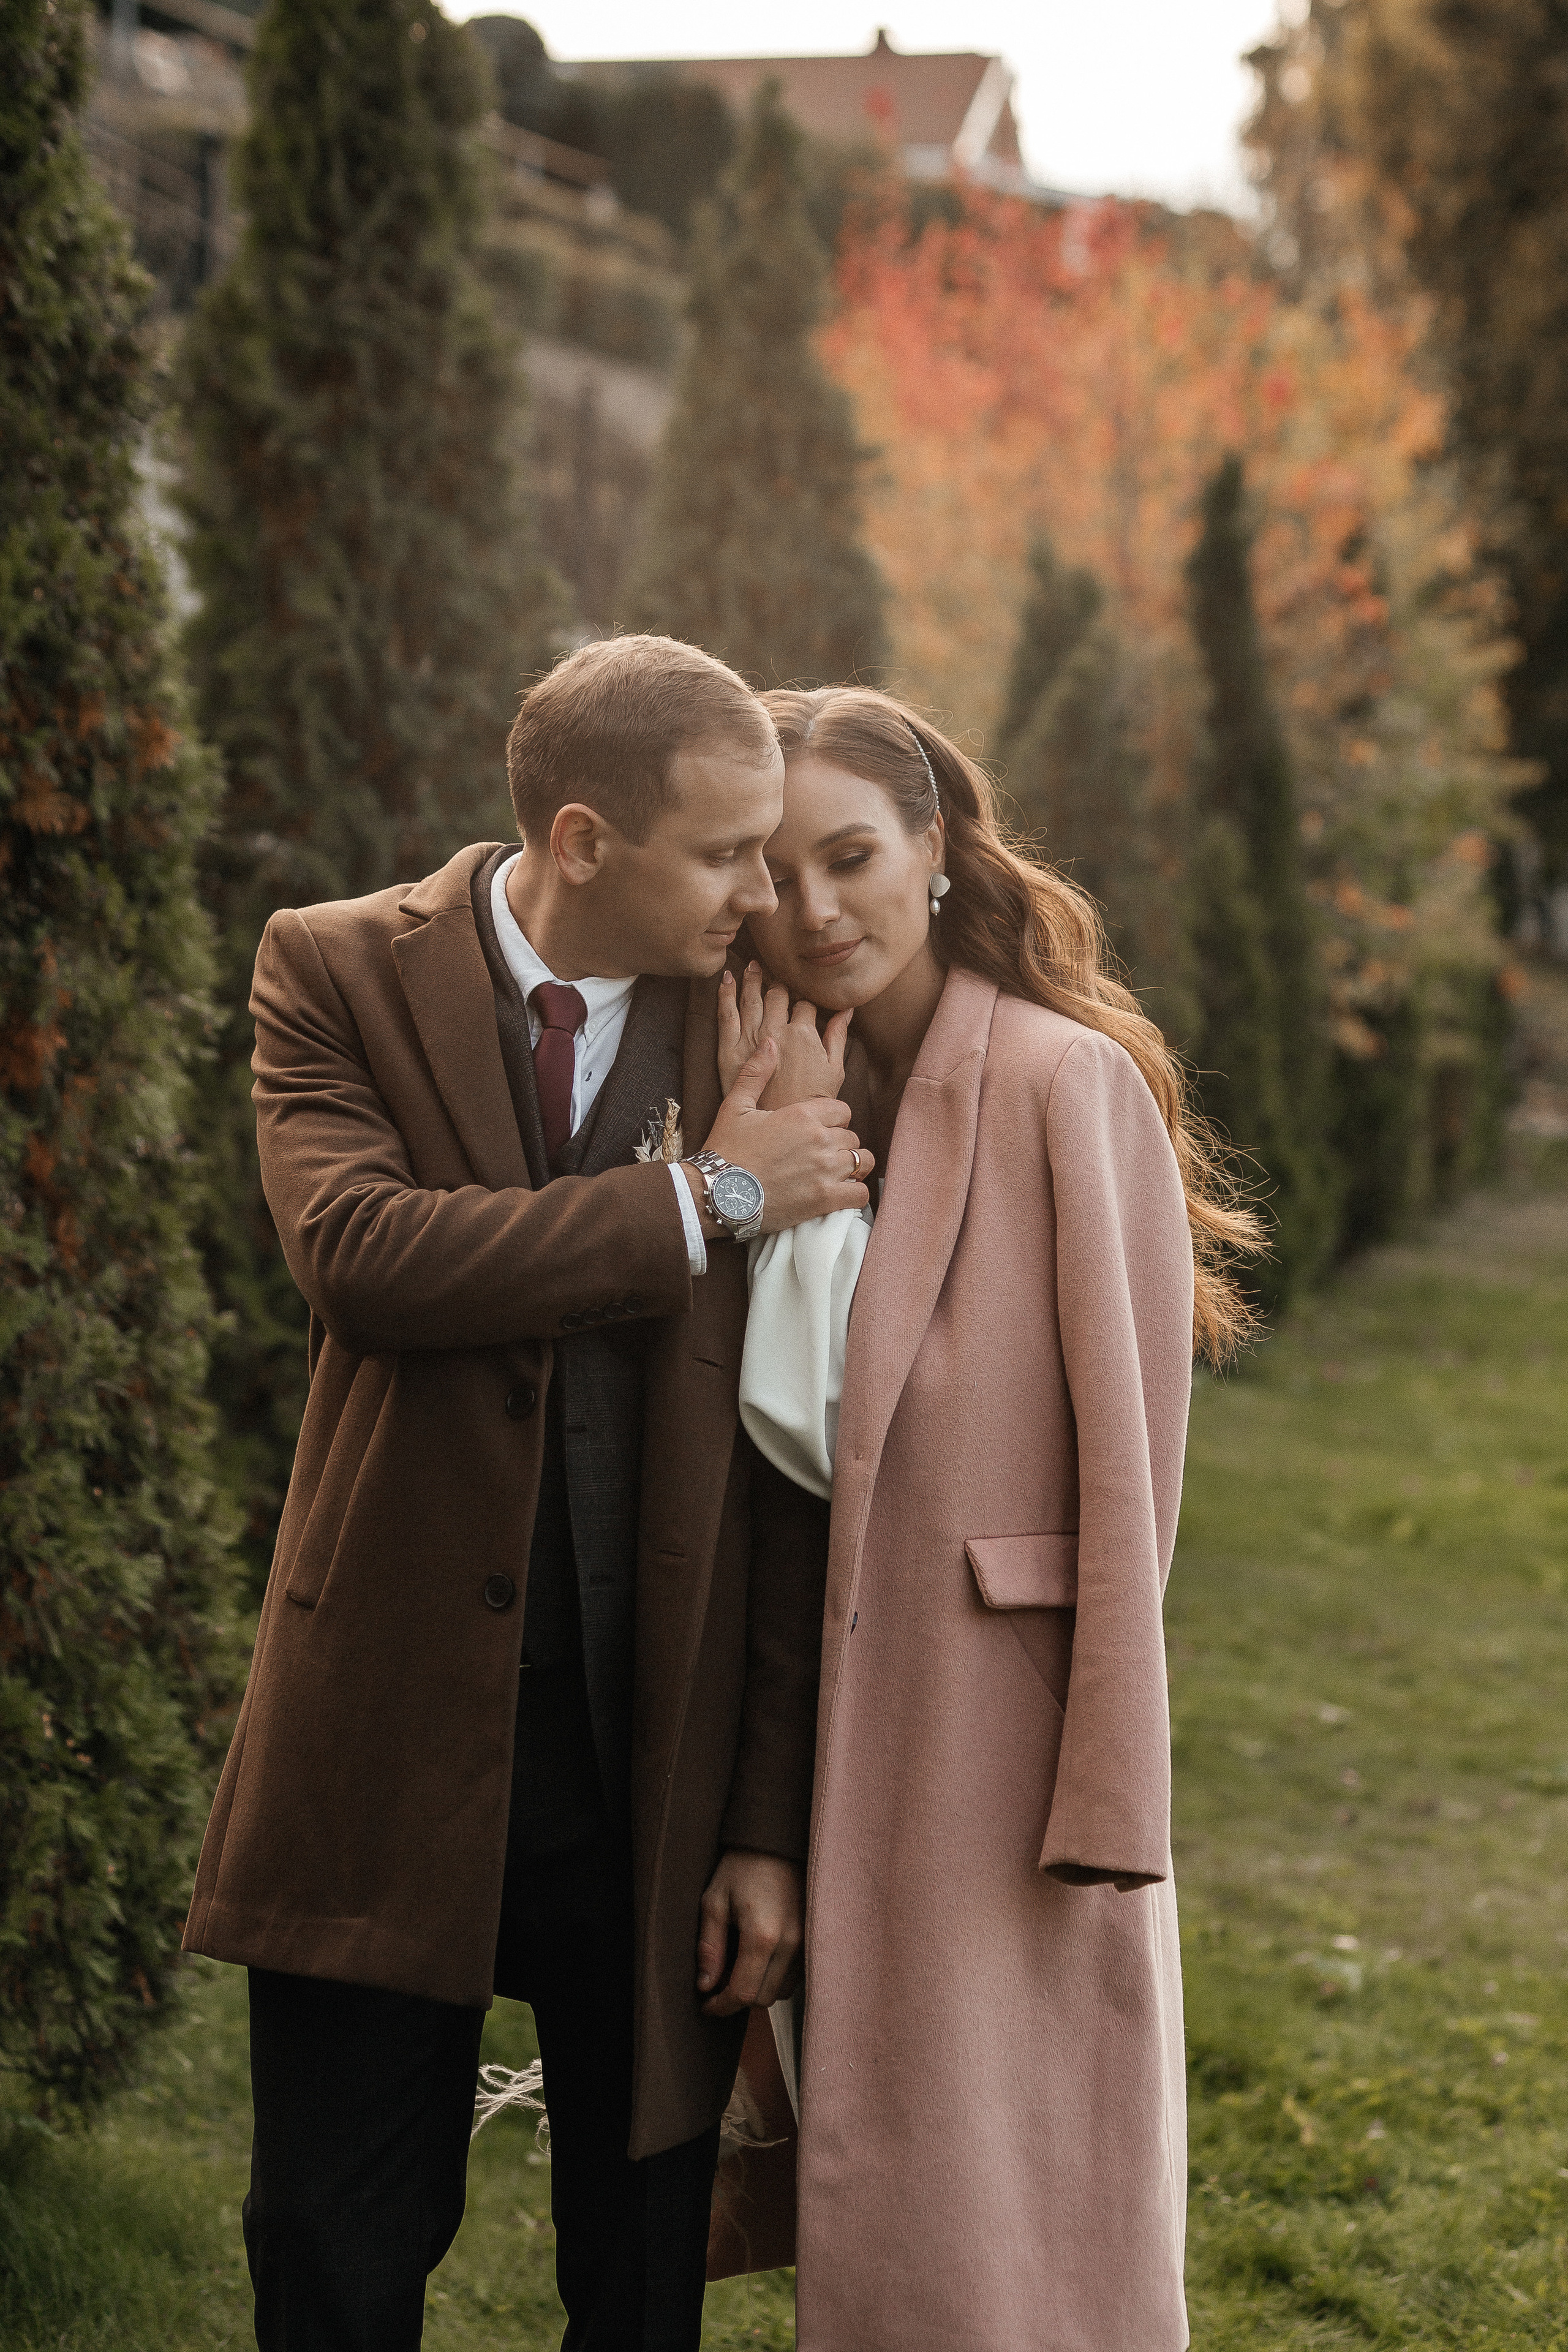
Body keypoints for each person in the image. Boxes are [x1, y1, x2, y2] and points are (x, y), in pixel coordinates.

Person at [181, 635, 873, 2352]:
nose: (759, 895)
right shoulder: (333, 971)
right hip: (381, 1723)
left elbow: (800, 1462)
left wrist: (770, 1814)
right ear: (582, 841)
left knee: (642, 2284)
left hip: (651, 1754)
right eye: (724, 855)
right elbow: (366, 1260)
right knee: (333, 2251)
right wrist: (711, 1194)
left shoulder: (764, 1018)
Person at [714, 686, 1261, 2350]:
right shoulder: (772, 1091)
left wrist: (1107, 1786)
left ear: (936, 850)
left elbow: (1131, 1475)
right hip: (819, 1744)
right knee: (888, 2211)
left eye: (854, 857)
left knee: (1006, 2227)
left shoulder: (1059, 1082)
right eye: (775, 873)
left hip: (1001, 1756)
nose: (815, 911)